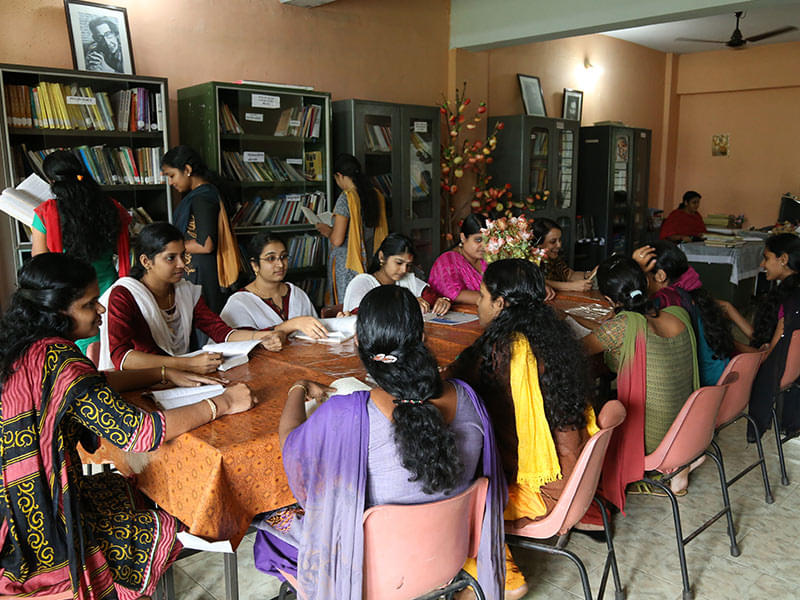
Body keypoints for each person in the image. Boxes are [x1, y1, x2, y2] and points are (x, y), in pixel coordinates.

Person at [0, 252, 257, 598]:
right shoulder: (60, 361)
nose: (100, 310)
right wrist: (223, 403)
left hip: (14, 508)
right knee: (172, 516)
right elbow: (139, 433)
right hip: (46, 531)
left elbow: (93, 381)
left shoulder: (22, 349)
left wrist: (164, 372)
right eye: (89, 304)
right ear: (57, 311)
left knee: (135, 489)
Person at [252, 286, 506, 600]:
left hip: (365, 571)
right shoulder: (468, 397)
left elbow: (291, 446)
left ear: (358, 342)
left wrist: (298, 388)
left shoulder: (347, 413)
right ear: (421, 339)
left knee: (270, 527)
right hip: (446, 558)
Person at [449, 259, 600, 598]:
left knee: (448, 494)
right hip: (575, 477)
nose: (478, 303)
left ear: (500, 304)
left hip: (544, 490)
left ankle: (504, 576)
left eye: (483, 296)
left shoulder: (502, 354)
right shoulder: (553, 339)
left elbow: (453, 384)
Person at [583, 256, 698, 504]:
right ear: (646, 283)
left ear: (609, 300)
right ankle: (681, 463)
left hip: (653, 440)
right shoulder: (678, 314)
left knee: (593, 417)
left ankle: (660, 466)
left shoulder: (623, 326)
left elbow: (575, 350)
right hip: (688, 428)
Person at [99, 222, 283, 372]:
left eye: (183, 256)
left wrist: (262, 337)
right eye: (171, 258)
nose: (182, 264)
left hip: (177, 375)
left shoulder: (184, 292)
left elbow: (221, 331)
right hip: (139, 380)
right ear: (146, 261)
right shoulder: (124, 295)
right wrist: (187, 364)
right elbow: (121, 358)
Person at [32, 149, 131, 363]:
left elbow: (40, 263)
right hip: (109, 292)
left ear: (51, 180)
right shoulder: (110, 207)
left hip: (73, 299)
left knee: (80, 359)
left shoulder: (46, 213)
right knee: (112, 352)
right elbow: (121, 247)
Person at [718, 234, 800, 437]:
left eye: (766, 258)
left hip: (775, 372)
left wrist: (728, 342)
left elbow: (766, 357)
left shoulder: (790, 302)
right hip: (788, 371)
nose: (763, 264)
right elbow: (764, 342)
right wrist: (730, 310)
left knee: (715, 355)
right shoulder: (791, 294)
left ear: (783, 259)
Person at [634, 241, 735, 386]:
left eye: (641, 276)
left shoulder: (665, 300)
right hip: (719, 376)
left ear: (660, 275)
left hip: (702, 384)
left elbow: (633, 324)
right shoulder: (689, 292)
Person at [162, 145, 239, 313]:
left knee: (204, 319)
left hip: (202, 274)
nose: (170, 182)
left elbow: (206, 245)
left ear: (187, 170)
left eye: (172, 175)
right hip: (198, 270)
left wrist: (169, 247)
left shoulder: (203, 198)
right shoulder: (204, 194)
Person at [220, 232, 326, 337]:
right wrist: (292, 325)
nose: (280, 264)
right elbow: (236, 342)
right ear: (255, 265)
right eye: (271, 258)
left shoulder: (297, 294)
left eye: (284, 256)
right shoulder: (239, 302)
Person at [315, 153, 388, 304]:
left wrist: (326, 230)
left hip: (348, 262)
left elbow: (337, 239)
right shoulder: (375, 195)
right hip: (368, 258)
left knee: (346, 305)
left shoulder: (346, 198)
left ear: (339, 176)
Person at [342, 232, 451, 315]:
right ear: (382, 257)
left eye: (408, 265)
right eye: (399, 263)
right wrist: (407, 304)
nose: (404, 270)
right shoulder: (363, 283)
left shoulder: (407, 280)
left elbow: (431, 297)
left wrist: (443, 301)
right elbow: (361, 316)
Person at [428, 213, 487, 305]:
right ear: (463, 237)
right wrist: (494, 300)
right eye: (478, 240)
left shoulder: (488, 258)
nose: (484, 245)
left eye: (487, 240)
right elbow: (455, 294)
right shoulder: (447, 261)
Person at [532, 217, 595, 292]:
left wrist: (590, 274)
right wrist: (571, 286)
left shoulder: (555, 259)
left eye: (560, 240)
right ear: (538, 244)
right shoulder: (529, 263)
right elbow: (537, 281)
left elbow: (570, 275)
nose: (559, 245)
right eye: (553, 241)